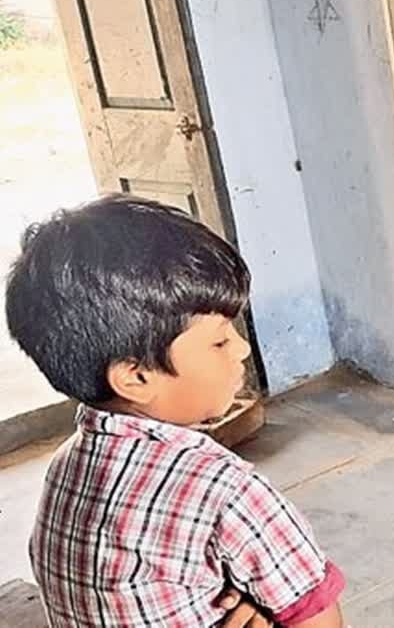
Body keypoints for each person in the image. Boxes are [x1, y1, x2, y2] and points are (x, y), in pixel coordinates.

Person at [5, 195, 345, 627]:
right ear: (135, 377)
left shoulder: (65, 466)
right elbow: (318, 619)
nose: (241, 349)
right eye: (220, 341)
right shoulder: (226, 489)